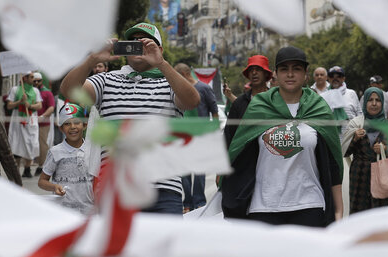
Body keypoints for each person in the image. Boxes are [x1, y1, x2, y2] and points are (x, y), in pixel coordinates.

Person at [60, 22, 199, 215]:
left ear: (158, 49)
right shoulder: (106, 80)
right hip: (117, 187)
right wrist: (92, 59)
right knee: (119, 246)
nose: (137, 45)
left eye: (144, 42)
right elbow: (70, 92)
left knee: (161, 245)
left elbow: (192, 101)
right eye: (132, 41)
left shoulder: (169, 82)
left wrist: (162, 63)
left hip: (164, 187)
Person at [222, 46, 343, 227]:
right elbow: (238, 153)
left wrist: (339, 211)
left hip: (310, 206)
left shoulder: (319, 108)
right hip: (264, 209)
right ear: (276, 75)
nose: (290, 74)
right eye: (284, 69)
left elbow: (333, 163)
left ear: (305, 75)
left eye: (297, 69)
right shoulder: (258, 108)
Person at [176, 62, 218, 212]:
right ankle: (187, 203)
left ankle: (199, 203)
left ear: (185, 75)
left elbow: (214, 111)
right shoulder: (177, 91)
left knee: (199, 171)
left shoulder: (204, 88)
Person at [39, 103, 93, 215]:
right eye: (67, 124)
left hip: (89, 211)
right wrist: (54, 187)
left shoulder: (93, 150)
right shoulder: (55, 152)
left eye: (77, 122)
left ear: (85, 125)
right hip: (63, 212)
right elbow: (42, 181)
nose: (73, 127)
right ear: (61, 128)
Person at [342, 87, 388, 214]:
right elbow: (345, 152)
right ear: (364, 103)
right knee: (358, 211)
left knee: (380, 212)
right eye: (370, 100)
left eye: (378, 100)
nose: (374, 104)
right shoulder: (355, 123)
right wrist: (355, 138)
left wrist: (385, 149)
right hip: (359, 175)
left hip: (382, 175)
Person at [224, 55, 272, 147]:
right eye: (251, 70)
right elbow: (229, 135)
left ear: (266, 73)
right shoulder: (239, 103)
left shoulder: (276, 101)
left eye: (258, 69)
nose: (254, 72)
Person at [7, 72, 43, 178]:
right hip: (18, 120)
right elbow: (9, 106)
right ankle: (16, 170)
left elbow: (39, 105)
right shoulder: (15, 90)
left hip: (31, 120)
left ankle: (27, 169)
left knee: (31, 143)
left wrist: (30, 105)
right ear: (25, 78)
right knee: (16, 143)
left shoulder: (35, 90)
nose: (34, 79)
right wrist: (20, 102)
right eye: (31, 77)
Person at [33, 72, 56, 177]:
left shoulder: (47, 93)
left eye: (38, 80)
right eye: (34, 80)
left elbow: (51, 107)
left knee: (42, 145)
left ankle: (42, 166)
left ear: (41, 81)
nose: (36, 82)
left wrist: (42, 117)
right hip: (29, 123)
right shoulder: (29, 92)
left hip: (43, 123)